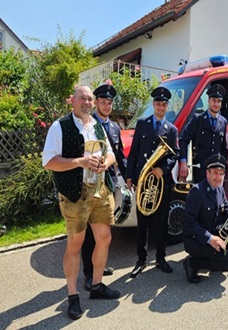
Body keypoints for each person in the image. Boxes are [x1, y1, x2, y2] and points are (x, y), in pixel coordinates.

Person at [42, 85, 120, 321]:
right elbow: (49, 162)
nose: (87, 102)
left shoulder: (96, 125)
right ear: (73, 101)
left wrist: (105, 163)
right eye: (83, 98)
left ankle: (96, 285)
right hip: (74, 193)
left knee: (105, 237)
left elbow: (111, 154)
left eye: (89, 99)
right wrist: (80, 161)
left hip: (100, 191)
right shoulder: (60, 126)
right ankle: (73, 295)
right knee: (75, 244)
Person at [125, 86, 179, 278]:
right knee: (143, 223)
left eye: (164, 104)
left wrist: (163, 169)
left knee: (161, 222)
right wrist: (130, 176)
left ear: (167, 106)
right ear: (153, 104)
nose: (161, 107)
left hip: (161, 182)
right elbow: (134, 152)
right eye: (158, 103)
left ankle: (161, 258)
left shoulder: (172, 130)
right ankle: (141, 259)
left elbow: (175, 154)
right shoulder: (142, 124)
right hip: (143, 180)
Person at [79, 83, 126, 292]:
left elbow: (120, 156)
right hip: (90, 186)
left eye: (109, 103)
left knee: (105, 230)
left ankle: (99, 266)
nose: (107, 106)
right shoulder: (87, 124)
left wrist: (128, 179)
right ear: (96, 103)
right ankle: (89, 274)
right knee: (90, 232)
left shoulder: (115, 127)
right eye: (103, 102)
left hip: (109, 185)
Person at [182, 153, 228, 283]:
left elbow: (226, 206)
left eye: (221, 174)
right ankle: (192, 263)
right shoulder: (197, 191)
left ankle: (217, 254)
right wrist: (210, 239)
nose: (219, 177)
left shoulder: (219, 188)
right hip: (196, 240)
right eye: (215, 173)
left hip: (213, 232)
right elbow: (189, 223)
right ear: (207, 173)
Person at [179, 84, 228, 183]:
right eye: (214, 100)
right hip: (200, 171)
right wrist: (183, 162)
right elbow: (183, 140)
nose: (216, 104)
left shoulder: (223, 122)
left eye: (219, 101)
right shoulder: (198, 119)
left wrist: (224, 167)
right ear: (208, 100)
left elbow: (223, 148)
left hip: (216, 173)